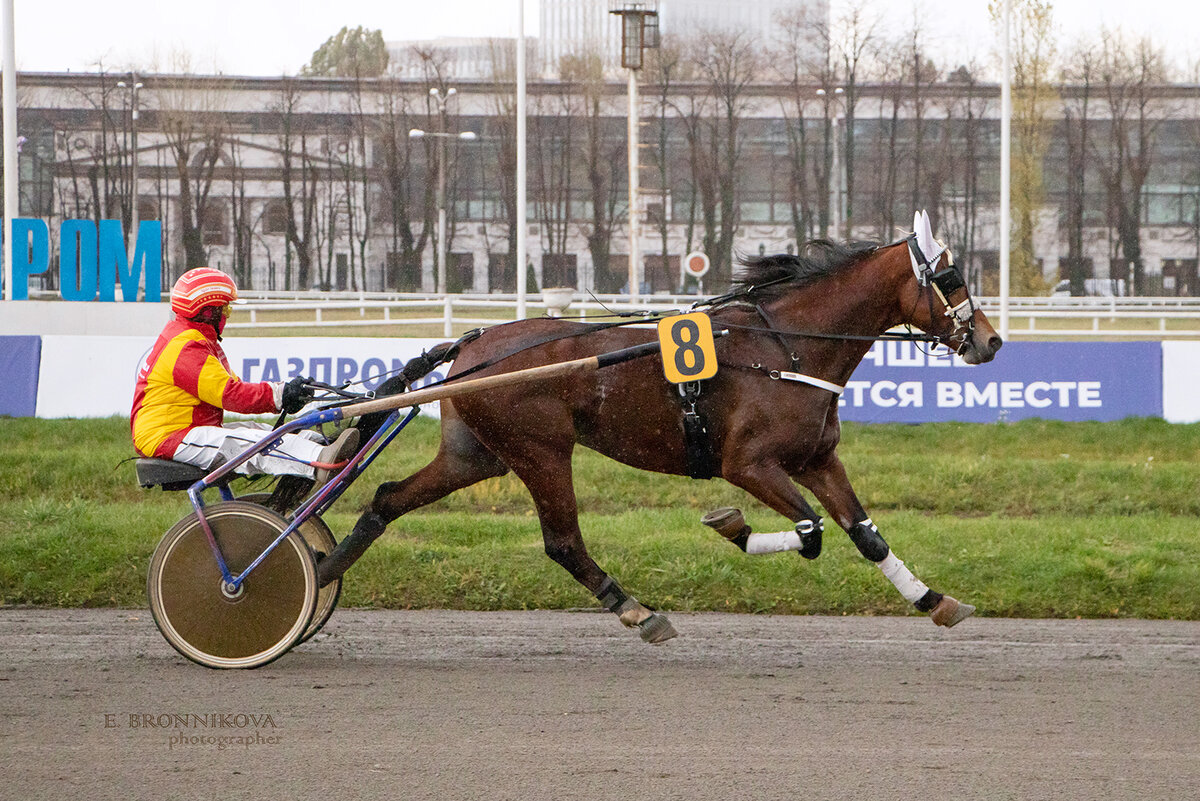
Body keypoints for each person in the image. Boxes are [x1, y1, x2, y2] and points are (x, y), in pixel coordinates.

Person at [131, 267, 358, 484]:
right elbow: (232, 396)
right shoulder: (185, 347)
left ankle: (320, 444)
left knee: (258, 430)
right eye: (226, 309)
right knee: (254, 443)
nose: (228, 316)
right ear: (208, 311)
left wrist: (284, 391)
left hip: (184, 428)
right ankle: (322, 458)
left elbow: (235, 387)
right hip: (168, 436)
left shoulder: (194, 339)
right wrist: (280, 395)